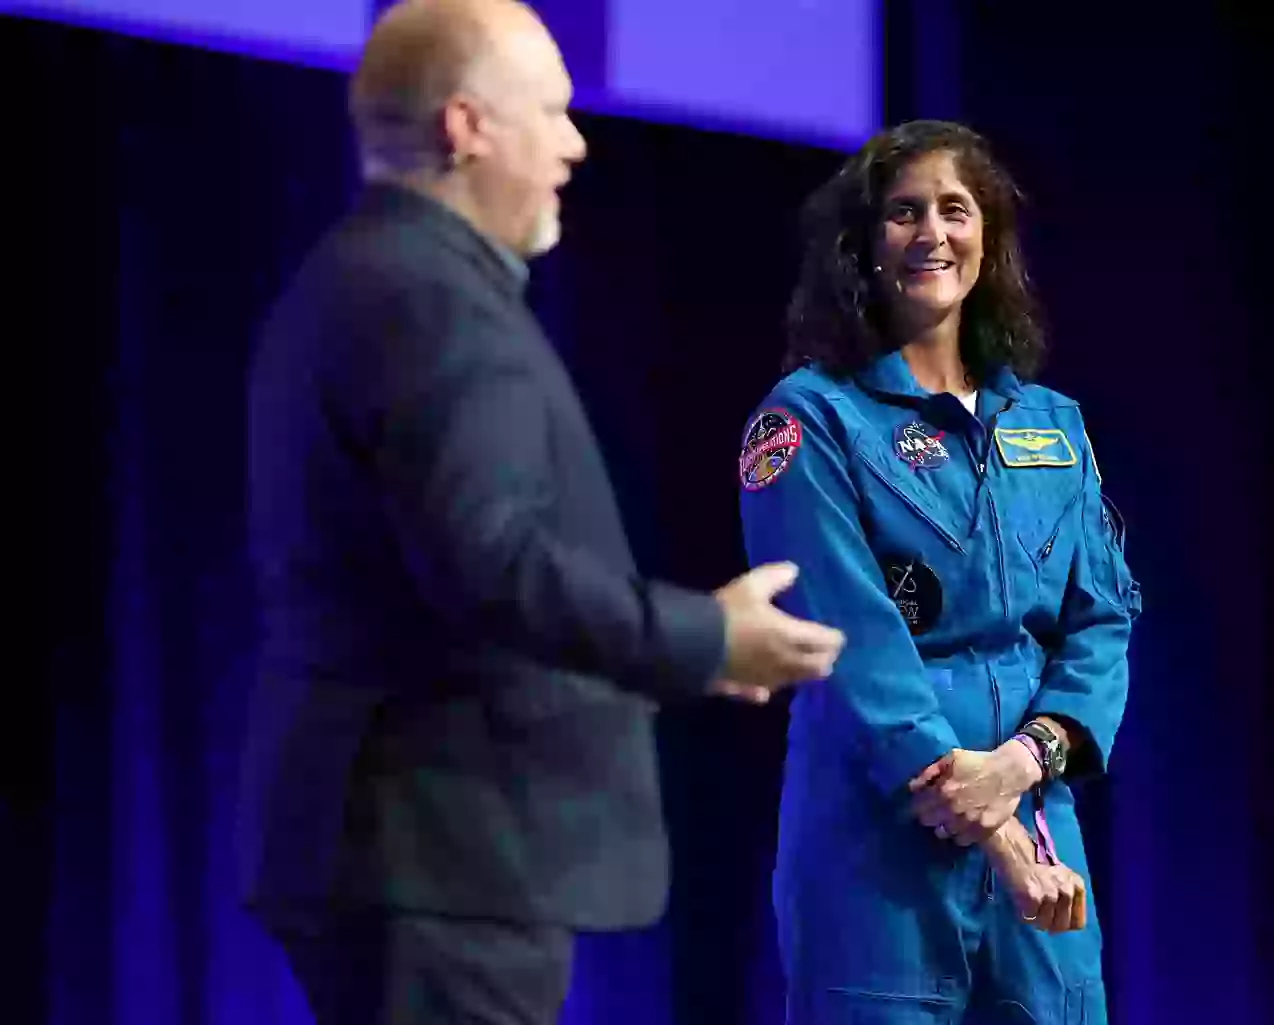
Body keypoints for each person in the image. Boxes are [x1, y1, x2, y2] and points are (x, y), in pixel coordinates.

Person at [237, 2, 845, 1023]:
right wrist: (707, 635)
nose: (575, 143)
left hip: (411, 851)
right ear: (467, 127)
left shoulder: (368, 276)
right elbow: (494, 567)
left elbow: (442, 577)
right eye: (552, 113)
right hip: (440, 855)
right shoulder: (426, 297)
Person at [738, 120, 1142, 1023]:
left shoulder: (1049, 422)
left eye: (956, 210)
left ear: (988, 236)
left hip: (1037, 821)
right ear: (863, 247)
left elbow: (1102, 619)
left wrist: (1025, 760)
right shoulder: (809, 421)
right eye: (903, 214)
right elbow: (850, 644)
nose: (933, 235)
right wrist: (988, 819)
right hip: (876, 853)